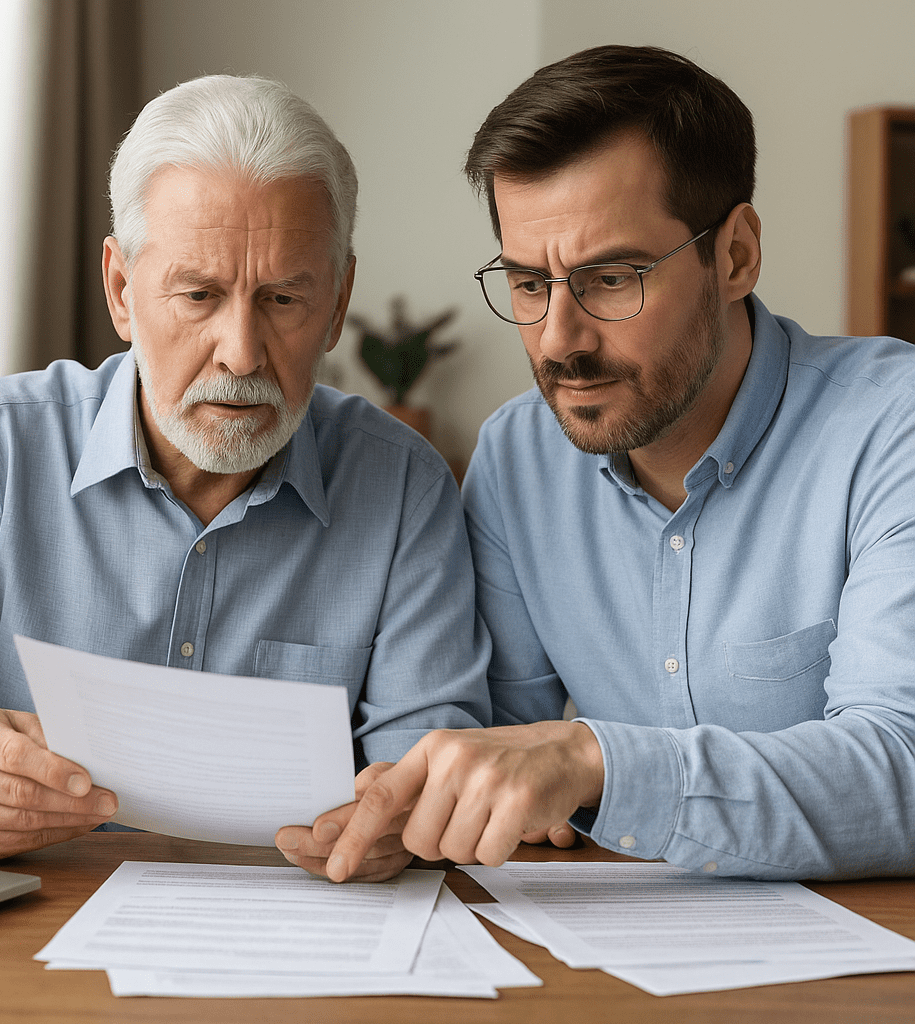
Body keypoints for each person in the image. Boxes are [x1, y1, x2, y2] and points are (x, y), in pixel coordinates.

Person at [323, 44, 915, 883]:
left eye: (610, 278)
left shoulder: (895, 426)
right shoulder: (518, 457)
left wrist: (595, 760)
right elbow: (501, 751)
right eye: (529, 285)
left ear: (736, 255)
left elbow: (902, 769)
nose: (559, 340)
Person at [0, 75, 490, 872]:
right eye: (199, 295)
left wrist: (403, 825)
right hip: (28, 924)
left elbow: (425, 762)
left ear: (339, 299)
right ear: (121, 290)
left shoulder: (406, 485)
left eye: (283, 299)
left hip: (308, 938)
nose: (241, 353)